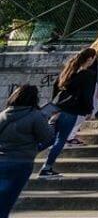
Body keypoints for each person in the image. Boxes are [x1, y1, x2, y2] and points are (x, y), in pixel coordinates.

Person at [40, 48, 98, 178]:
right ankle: (47, 167)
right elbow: (87, 94)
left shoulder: (68, 71)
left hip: (57, 109)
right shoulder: (87, 74)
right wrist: (89, 110)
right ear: (90, 59)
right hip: (71, 111)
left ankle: (25, 154)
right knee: (60, 139)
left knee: (51, 139)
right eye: (94, 58)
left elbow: (55, 89)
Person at [0, 85, 55, 215]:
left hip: (2, 160)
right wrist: (52, 123)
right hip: (21, 163)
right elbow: (48, 138)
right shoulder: (35, 116)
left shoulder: (2, 115)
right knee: (7, 201)